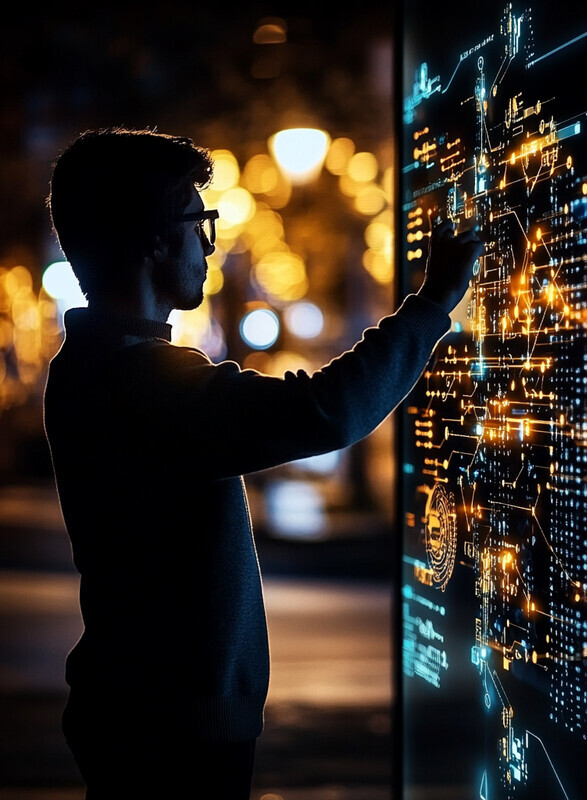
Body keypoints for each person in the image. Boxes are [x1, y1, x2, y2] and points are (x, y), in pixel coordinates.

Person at [42, 126, 482, 799]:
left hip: (138, 712)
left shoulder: (90, 366)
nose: (209, 249)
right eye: (199, 226)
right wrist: (432, 303)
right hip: (171, 732)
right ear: (155, 239)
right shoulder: (143, 382)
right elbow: (325, 410)